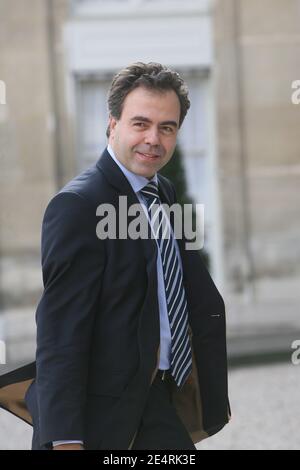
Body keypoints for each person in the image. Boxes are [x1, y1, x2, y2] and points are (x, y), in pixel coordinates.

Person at [0, 62, 230, 450]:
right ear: (112, 124)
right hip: (98, 417)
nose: (153, 139)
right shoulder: (78, 205)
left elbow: (176, 291)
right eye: (140, 123)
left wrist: (208, 387)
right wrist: (66, 438)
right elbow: (60, 333)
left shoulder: (164, 193)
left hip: (157, 399)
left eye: (167, 127)